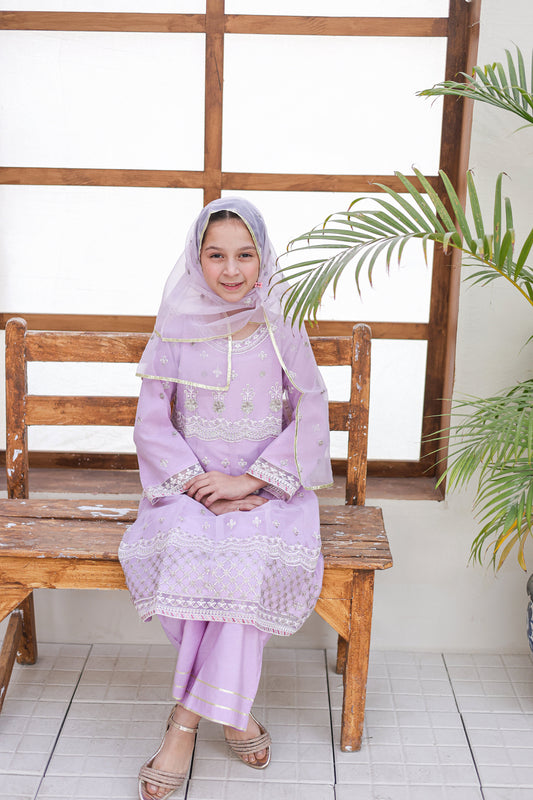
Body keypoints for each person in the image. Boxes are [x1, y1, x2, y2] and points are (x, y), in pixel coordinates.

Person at [118, 197, 332, 800]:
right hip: (186, 491)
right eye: (216, 255)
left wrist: (253, 481)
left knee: (243, 567)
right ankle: (236, 715)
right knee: (186, 559)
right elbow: (152, 420)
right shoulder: (175, 324)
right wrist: (194, 484)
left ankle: (183, 726)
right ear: (197, 257)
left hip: (269, 494)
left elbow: (310, 412)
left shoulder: (281, 322)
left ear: (263, 257)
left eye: (245, 254)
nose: (231, 269)